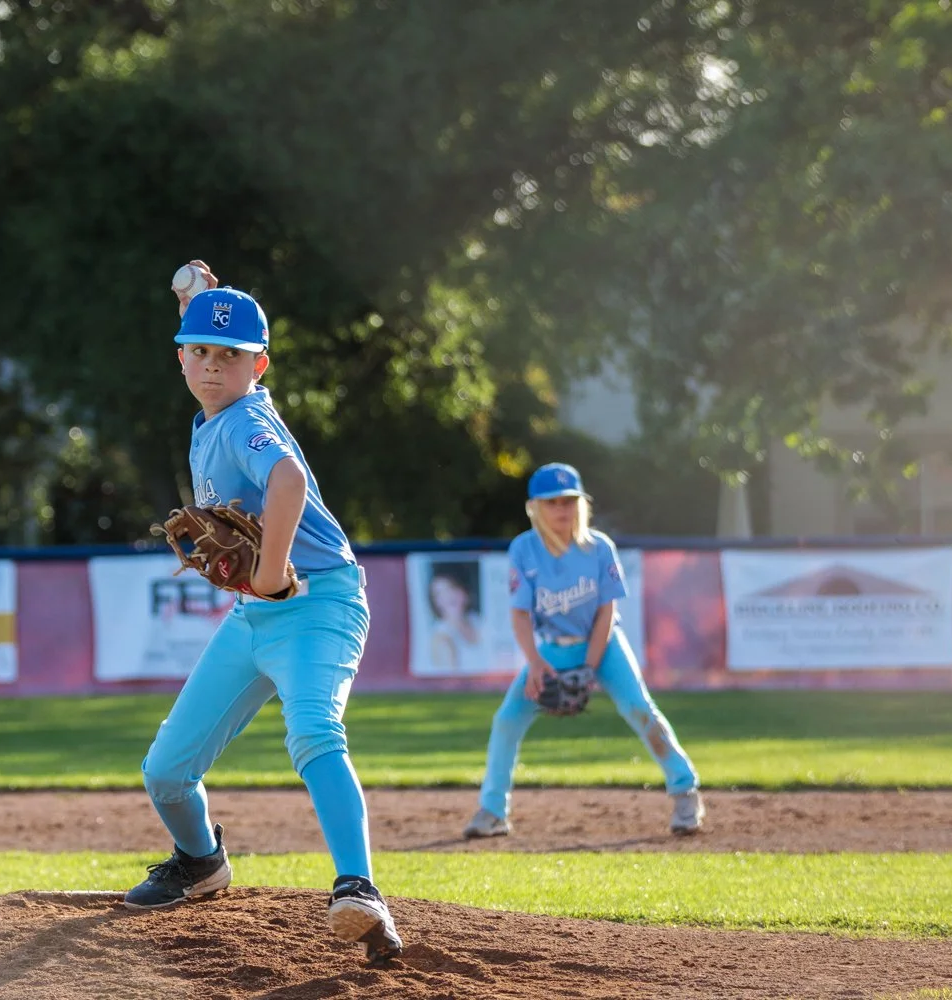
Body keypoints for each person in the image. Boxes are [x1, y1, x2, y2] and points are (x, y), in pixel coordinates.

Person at [123, 260, 403, 965]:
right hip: (256, 617)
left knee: (313, 732)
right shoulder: (214, 407)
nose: (213, 367)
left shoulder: (247, 418)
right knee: (165, 772)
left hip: (318, 601)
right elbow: (208, 330)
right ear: (180, 356)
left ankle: (358, 888)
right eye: (200, 353)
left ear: (261, 366)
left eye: (231, 357)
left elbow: (288, 479)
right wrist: (196, 296)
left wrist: (273, 572)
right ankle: (200, 861)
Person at [463, 462, 706, 839]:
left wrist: (590, 668)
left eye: (569, 501)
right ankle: (494, 811)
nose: (562, 509)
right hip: (550, 653)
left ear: (581, 504)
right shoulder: (524, 549)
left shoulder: (598, 547)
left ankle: (685, 790)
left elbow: (607, 612)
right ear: (534, 508)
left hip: (603, 646)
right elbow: (520, 614)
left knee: (640, 709)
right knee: (507, 720)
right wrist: (535, 664)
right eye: (552, 502)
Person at [427, 565, 486, 672]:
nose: (448, 596)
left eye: (451, 588)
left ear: (464, 590)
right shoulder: (441, 638)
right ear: (436, 603)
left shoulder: (478, 620)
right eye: (439, 594)